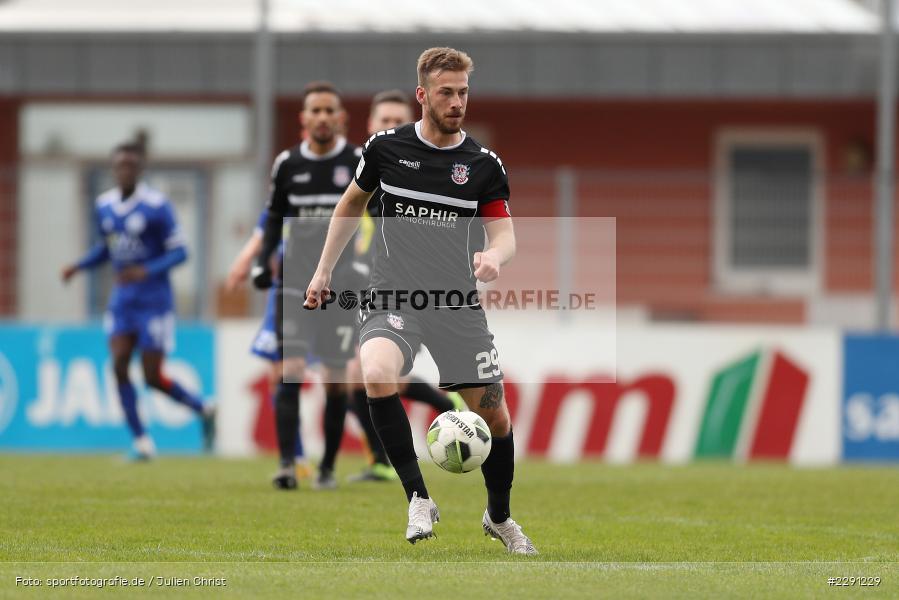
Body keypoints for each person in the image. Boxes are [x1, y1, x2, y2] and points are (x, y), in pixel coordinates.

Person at [304, 48, 537, 554]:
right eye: (447, 92)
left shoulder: (481, 165)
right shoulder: (386, 149)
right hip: (394, 294)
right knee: (376, 370)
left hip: (456, 304)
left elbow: (505, 235)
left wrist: (495, 257)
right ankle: (418, 497)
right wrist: (323, 270)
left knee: (496, 419)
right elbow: (350, 206)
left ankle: (499, 517)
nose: (457, 102)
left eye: (464, 92)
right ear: (423, 95)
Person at [61, 142, 215, 460]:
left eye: (131, 165)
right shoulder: (104, 205)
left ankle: (204, 408)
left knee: (151, 376)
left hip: (154, 301)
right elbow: (107, 249)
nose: (125, 170)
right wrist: (78, 266)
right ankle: (141, 442)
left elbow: (181, 252)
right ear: (113, 169)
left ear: (140, 170)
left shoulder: (157, 206)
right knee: (118, 365)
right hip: (123, 301)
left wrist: (146, 270)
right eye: (120, 165)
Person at [346, 89, 464, 484]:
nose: (390, 128)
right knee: (365, 378)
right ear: (370, 126)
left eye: (398, 121)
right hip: (362, 287)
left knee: (363, 375)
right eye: (384, 122)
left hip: (405, 292)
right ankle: (438, 407)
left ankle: (387, 458)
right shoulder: (363, 170)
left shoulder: (410, 176)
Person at [252, 81, 359, 491]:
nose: (322, 117)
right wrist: (263, 262)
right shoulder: (287, 164)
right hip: (294, 282)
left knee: (335, 380)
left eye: (329, 110)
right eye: (314, 110)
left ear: (340, 117)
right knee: (290, 371)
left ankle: (328, 468)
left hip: (342, 285)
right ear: (304, 119)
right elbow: (274, 219)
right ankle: (287, 464)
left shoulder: (357, 161)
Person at [226, 209, 312, 480]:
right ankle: (294, 457)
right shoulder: (279, 201)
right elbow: (261, 236)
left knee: (342, 377)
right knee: (280, 375)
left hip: (322, 289)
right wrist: (243, 261)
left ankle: (376, 457)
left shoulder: (325, 193)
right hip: (283, 294)